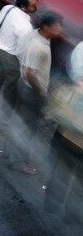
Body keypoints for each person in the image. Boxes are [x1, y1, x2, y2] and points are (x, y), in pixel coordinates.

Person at [12, 12, 63, 176]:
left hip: (25, 87)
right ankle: (19, 162)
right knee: (28, 128)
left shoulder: (36, 35)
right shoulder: (38, 47)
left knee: (20, 122)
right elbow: (30, 74)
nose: (60, 30)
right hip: (31, 91)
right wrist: (42, 92)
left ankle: (10, 154)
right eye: (56, 27)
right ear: (46, 27)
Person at [0, 0, 39, 120]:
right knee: (10, 91)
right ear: (24, 7)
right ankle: (4, 118)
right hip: (12, 59)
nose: (36, 6)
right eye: (33, 5)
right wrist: (23, 66)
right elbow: (21, 51)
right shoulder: (25, 27)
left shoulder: (7, 9)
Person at [45, 41, 83, 222]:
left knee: (61, 171)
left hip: (67, 132)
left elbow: (71, 73)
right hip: (72, 133)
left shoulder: (80, 49)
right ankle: (70, 213)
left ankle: (53, 206)